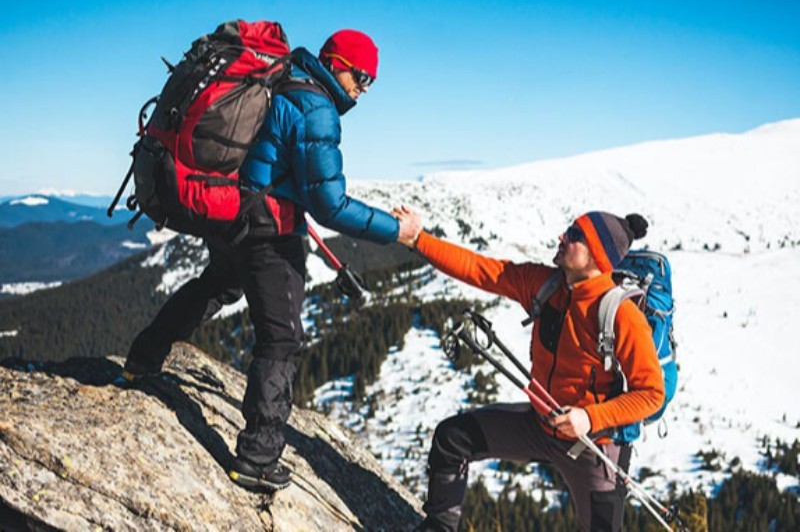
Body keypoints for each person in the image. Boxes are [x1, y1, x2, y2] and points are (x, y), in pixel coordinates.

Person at [121, 29, 418, 492]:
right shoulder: (316, 107)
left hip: (234, 216)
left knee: (214, 286)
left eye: (369, 82)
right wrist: (396, 232)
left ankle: (142, 359)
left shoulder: (282, 77)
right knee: (281, 340)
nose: (362, 90)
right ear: (337, 63)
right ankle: (257, 459)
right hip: (269, 235)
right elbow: (330, 204)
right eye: (361, 77)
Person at [391, 206, 665, 531]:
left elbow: (651, 395)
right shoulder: (545, 285)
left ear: (598, 256)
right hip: (541, 424)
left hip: (595, 447)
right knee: (453, 439)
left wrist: (589, 417)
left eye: (575, 236)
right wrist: (418, 240)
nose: (563, 237)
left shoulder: (621, 315)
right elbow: (481, 270)